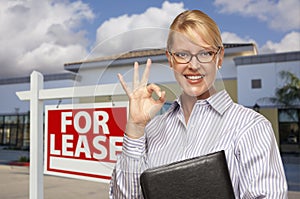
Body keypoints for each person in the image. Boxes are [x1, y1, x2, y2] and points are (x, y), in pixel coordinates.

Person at [109, 10, 288, 198]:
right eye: (182, 54)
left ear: (219, 57)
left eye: (205, 53)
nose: (193, 65)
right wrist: (135, 128)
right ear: (170, 59)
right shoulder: (152, 129)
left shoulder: (251, 127)